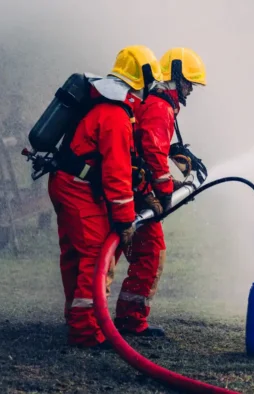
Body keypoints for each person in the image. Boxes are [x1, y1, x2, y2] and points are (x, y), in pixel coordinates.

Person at [48, 45, 161, 348]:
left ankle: (76, 317)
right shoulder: (115, 116)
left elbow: (122, 166)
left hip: (66, 181)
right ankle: (85, 331)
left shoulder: (102, 103)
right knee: (97, 255)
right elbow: (115, 173)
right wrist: (125, 222)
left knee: (74, 253)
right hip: (78, 189)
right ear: (142, 80)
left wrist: (142, 193)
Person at [113, 47, 208, 337]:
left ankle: (92, 317)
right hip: (135, 193)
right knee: (150, 253)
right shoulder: (160, 106)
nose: (191, 89)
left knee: (116, 251)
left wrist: (177, 154)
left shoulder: (159, 103)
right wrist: (165, 191)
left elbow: (150, 146)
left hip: (131, 190)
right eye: (189, 82)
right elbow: (151, 148)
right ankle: (129, 321)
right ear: (176, 76)